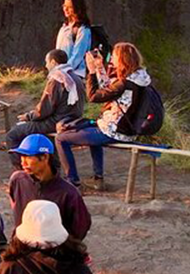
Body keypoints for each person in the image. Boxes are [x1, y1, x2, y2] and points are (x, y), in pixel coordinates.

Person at [57, 42, 156, 193]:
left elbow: (94, 96)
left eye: (114, 57)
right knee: (92, 127)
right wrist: (99, 67)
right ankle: (98, 179)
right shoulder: (140, 79)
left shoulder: (124, 83)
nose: (112, 60)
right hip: (129, 129)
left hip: (115, 131)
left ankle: (73, 182)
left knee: (61, 138)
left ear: (122, 59)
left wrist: (91, 72)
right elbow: (108, 90)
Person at [6, 135, 91, 241]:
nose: (23, 162)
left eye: (28, 157)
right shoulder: (18, 180)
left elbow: (80, 228)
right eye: (21, 157)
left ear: (45, 157)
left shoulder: (69, 193)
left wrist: (62, 246)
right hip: (22, 247)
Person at [4, 51, 85, 147]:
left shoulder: (57, 79)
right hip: (74, 120)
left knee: (13, 134)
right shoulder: (76, 77)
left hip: (56, 122)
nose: (46, 66)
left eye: (47, 62)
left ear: (53, 62)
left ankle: (22, 157)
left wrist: (29, 116)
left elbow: (44, 110)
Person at [54, 0, 94, 78]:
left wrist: (65, 70)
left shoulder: (83, 29)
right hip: (61, 73)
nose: (65, 9)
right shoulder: (64, 27)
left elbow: (78, 56)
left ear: (77, 8)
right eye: (64, 6)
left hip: (75, 74)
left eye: (70, 7)